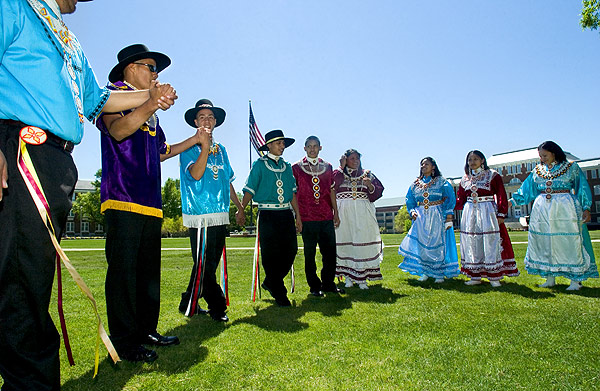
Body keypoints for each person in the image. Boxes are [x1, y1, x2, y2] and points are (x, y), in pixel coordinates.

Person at [0, 1, 177, 389]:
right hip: (19, 151)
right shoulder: (14, 6)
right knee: (20, 285)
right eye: (148, 67)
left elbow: (97, 98)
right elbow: (115, 125)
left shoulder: (67, 37)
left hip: (55, 160)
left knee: (32, 284)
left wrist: (151, 98)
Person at [97, 44, 197, 363]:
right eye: (150, 67)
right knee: (124, 274)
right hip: (123, 198)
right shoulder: (111, 95)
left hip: (151, 202)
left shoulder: (150, 110)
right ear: (130, 68)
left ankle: (146, 331)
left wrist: (195, 140)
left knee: (147, 273)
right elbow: (118, 130)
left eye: (157, 71)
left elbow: (161, 150)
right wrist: (152, 101)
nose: (155, 75)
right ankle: (124, 342)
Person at [178, 99, 245, 321]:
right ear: (195, 122)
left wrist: (240, 207)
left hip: (220, 213)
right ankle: (218, 306)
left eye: (210, 117)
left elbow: (227, 181)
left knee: (208, 263)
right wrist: (204, 147)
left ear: (215, 122)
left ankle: (188, 301)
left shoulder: (222, 150)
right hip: (200, 214)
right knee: (206, 266)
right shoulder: (188, 148)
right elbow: (196, 174)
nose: (206, 120)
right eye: (202, 117)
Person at [510, 141, 598, 290]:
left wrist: (586, 207)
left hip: (565, 209)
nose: (542, 158)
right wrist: (512, 201)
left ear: (554, 152)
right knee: (546, 243)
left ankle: (576, 281)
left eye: (545, 155)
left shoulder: (571, 168)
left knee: (568, 241)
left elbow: (581, 187)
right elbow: (527, 189)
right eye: (540, 156)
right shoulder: (538, 170)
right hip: (542, 211)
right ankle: (550, 278)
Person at [241, 130, 301, 306]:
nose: (282, 146)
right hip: (267, 214)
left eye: (283, 143)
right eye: (279, 143)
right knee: (271, 254)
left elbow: (292, 193)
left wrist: (297, 215)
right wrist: (241, 209)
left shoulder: (287, 166)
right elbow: (249, 189)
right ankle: (279, 291)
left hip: (285, 214)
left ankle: (270, 281)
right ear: (269, 146)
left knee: (291, 250)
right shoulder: (259, 165)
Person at [455, 150, 519, 287]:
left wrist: (501, 213)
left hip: (487, 210)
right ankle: (475, 275)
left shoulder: (492, 175)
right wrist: (447, 205)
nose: (472, 162)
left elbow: (501, 194)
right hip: (470, 212)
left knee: (490, 241)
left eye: (475, 159)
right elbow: (460, 198)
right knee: (473, 242)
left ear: (482, 160)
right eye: (470, 160)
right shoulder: (465, 179)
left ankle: (494, 276)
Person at [292, 136, 344, 296]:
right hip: (307, 217)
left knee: (329, 253)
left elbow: (332, 190)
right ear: (305, 148)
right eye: (309, 146)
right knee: (310, 254)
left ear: (320, 147)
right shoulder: (296, 168)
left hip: (326, 216)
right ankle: (314, 286)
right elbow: (293, 193)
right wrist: (298, 217)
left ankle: (328, 284)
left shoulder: (327, 167)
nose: (312, 149)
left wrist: (335, 212)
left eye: (315, 146)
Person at [398, 157, 459, 283]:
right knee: (422, 245)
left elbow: (450, 198)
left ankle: (439, 274)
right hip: (421, 217)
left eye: (427, 164)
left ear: (433, 167)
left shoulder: (441, 182)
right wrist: (412, 211)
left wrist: (448, 216)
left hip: (436, 215)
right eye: (422, 164)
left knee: (437, 243)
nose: (423, 166)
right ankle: (425, 271)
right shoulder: (415, 184)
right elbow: (410, 199)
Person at [333, 149, 384, 289]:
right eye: (352, 158)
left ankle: (362, 279)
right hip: (344, 214)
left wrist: (370, 186)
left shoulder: (367, 174)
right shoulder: (339, 174)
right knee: (346, 244)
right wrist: (340, 166)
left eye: (357, 158)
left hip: (362, 214)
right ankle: (349, 277)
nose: (355, 161)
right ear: (345, 160)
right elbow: (332, 186)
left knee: (361, 243)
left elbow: (378, 192)